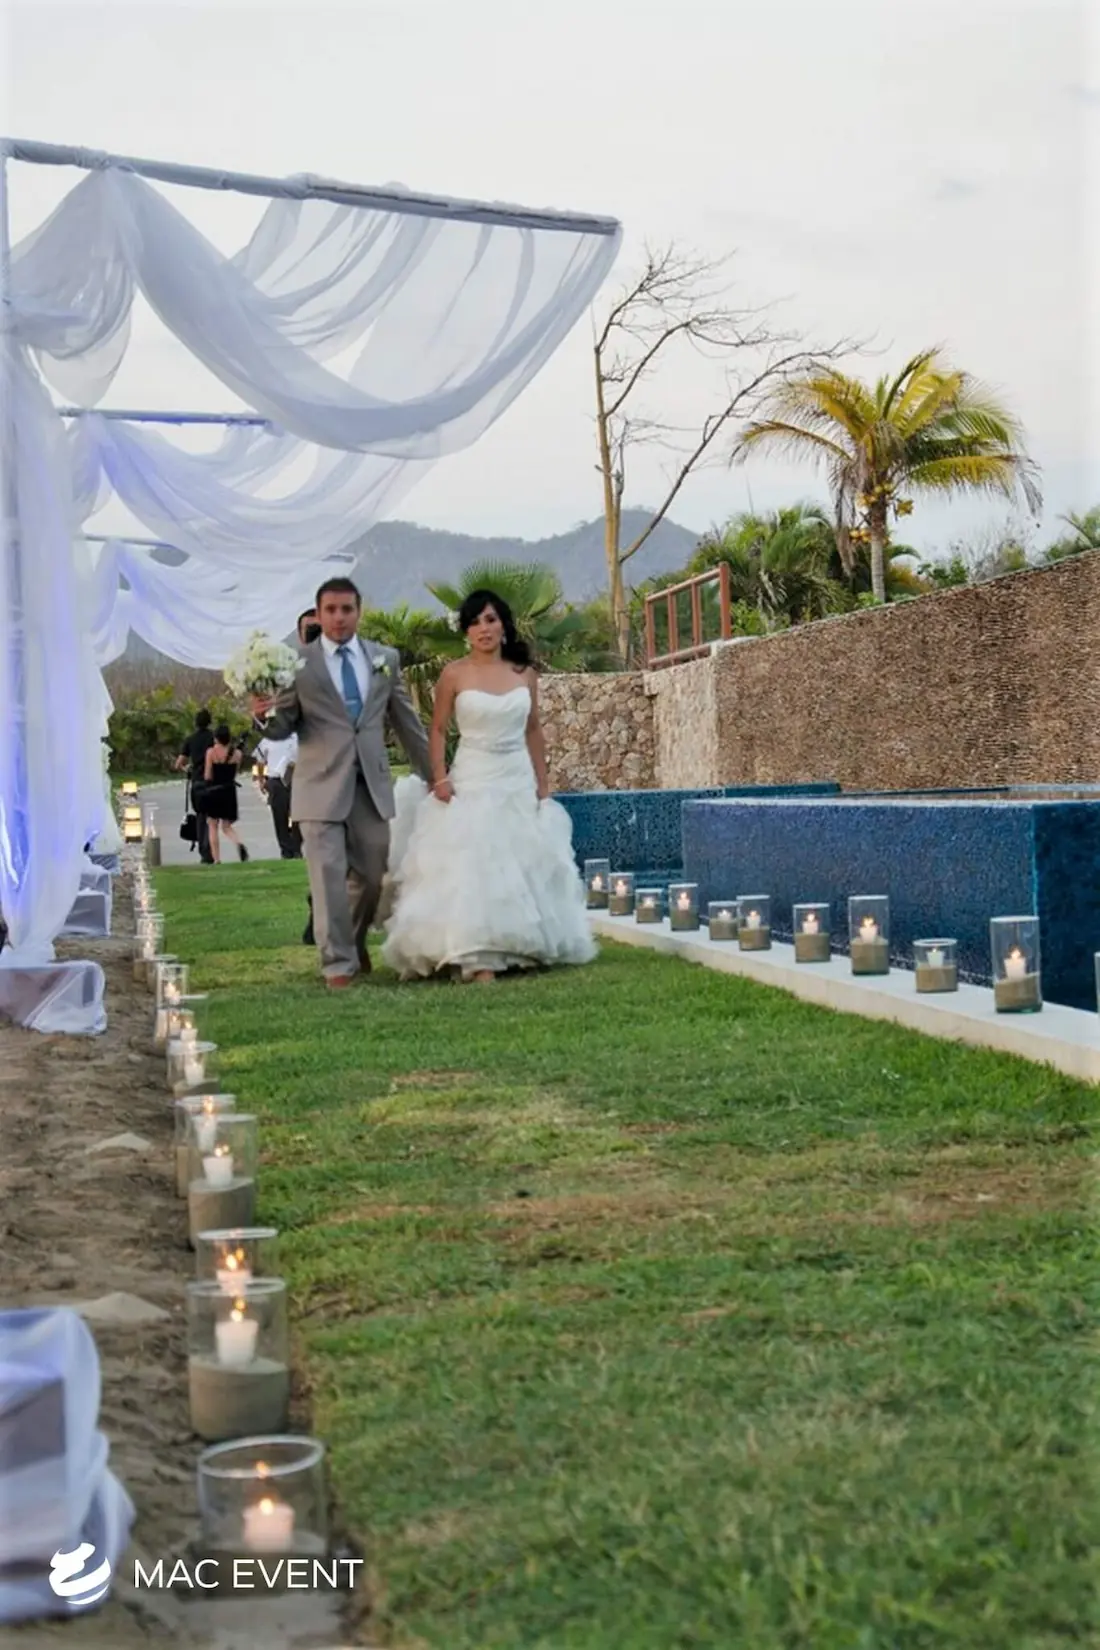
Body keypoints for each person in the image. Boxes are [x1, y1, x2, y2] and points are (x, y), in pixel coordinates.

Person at [382, 589, 596, 983]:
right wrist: (439, 776)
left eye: (491, 619)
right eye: (476, 621)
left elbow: (533, 729)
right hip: (473, 775)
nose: (484, 628)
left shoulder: (524, 674)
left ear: (503, 625)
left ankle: (520, 947)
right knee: (475, 862)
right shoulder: (454, 674)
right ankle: (477, 955)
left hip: (516, 775)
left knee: (520, 860)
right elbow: (438, 729)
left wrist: (543, 784)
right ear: (465, 630)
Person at [251, 577, 432, 989]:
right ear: (319, 614)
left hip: (370, 785)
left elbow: (406, 723)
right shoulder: (297, 664)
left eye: (346, 609)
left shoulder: (384, 659)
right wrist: (262, 717)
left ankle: (351, 941)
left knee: (371, 875)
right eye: (330, 610)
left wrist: (435, 775)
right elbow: (283, 726)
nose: (339, 617)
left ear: (358, 612)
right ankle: (337, 964)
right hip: (318, 786)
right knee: (327, 875)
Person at [201, 724, 250, 864]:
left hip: (214, 791)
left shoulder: (211, 752)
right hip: (229, 791)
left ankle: (216, 859)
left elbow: (208, 775)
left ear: (216, 738)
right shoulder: (237, 754)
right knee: (226, 826)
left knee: (212, 825)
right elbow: (235, 772)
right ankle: (238, 843)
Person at [175, 708, 216, 863]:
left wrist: (188, 769)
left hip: (197, 782)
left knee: (200, 816)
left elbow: (179, 763)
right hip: (212, 782)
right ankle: (209, 849)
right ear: (209, 722)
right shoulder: (213, 738)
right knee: (211, 818)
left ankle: (203, 851)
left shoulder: (190, 739)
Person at [254, 731, 302, 858]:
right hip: (276, 779)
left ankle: (297, 847)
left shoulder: (297, 738)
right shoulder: (268, 739)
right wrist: (261, 779)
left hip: (295, 778)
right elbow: (260, 760)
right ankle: (286, 849)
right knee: (280, 816)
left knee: (298, 815)